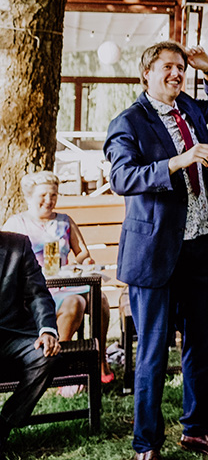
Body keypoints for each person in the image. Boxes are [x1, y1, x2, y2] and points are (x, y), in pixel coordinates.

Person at [104, 41, 208, 460]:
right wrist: (178, 162)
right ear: (146, 72)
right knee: (152, 351)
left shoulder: (190, 109)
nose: (176, 74)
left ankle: (198, 431)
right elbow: (123, 176)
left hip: (199, 245)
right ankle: (147, 443)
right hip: (155, 252)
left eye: (180, 68)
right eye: (168, 67)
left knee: (201, 343)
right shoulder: (128, 121)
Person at [3, 171, 114, 384]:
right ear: (29, 197)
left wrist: (83, 262)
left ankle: (100, 359)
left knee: (100, 300)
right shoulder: (17, 224)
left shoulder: (64, 221)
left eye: (53, 195)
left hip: (65, 283)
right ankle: (60, 365)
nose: (49, 200)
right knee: (75, 303)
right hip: (35, 291)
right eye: (43, 195)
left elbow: (82, 253)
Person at [0, 231, 60, 455]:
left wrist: (47, 331)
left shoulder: (18, 245)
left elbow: (38, 294)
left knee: (46, 355)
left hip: (13, 335)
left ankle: (4, 425)